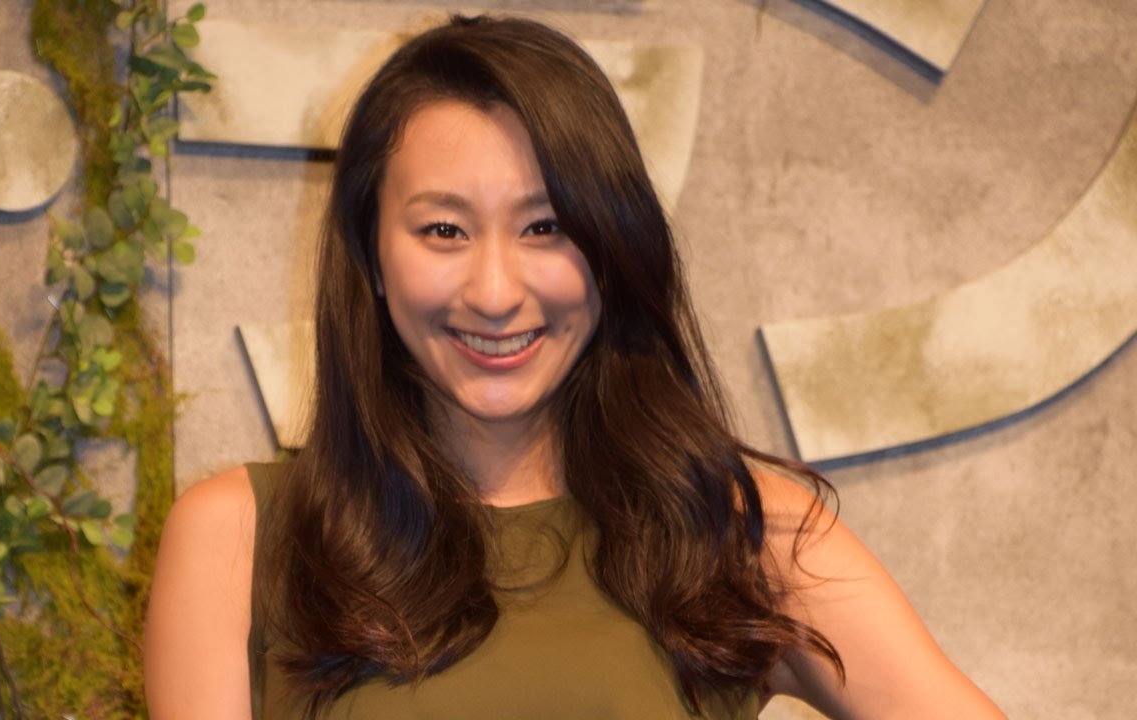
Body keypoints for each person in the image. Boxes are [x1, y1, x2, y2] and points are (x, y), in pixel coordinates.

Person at [145, 15, 1004, 720]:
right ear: (371, 254)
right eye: (443, 230)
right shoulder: (240, 536)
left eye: (545, 228)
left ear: (611, 248)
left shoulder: (740, 531)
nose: (494, 291)